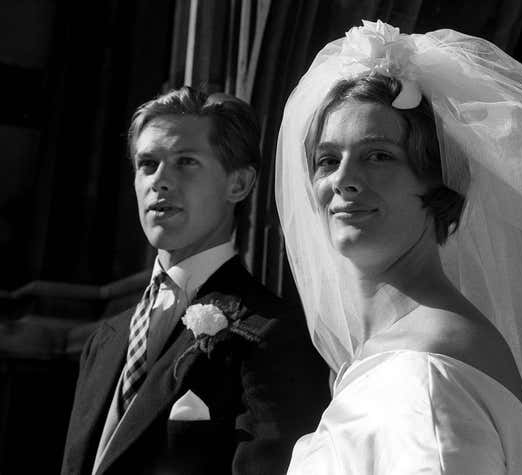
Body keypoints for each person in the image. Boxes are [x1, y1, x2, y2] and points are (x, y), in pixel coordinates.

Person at [275, 20, 522, 474]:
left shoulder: (424, 371)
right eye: (328, 159)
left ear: (439, 183)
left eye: (378, 156)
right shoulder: (392, 350)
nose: (343, 180)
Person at [61, 87, 329, 475]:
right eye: (147, 164)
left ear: (238, 184)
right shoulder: (103, 340)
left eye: (185, 162)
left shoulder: (275, 334)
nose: (160, 181)